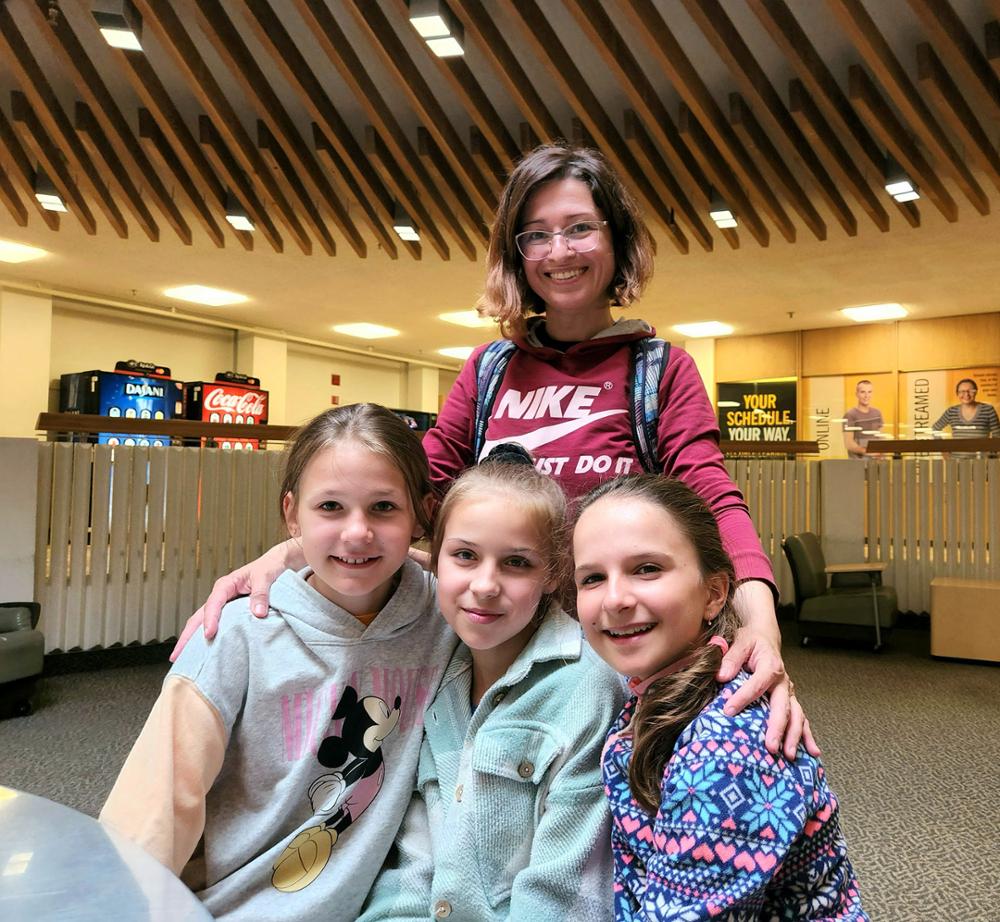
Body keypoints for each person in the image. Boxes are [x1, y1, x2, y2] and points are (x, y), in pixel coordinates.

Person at [178, 144, 812, 759]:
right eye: (535, 234)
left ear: (616, 240)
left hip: (610, 653)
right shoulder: (489, 370)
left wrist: (760, 622)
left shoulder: (659, 370)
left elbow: (711, 499)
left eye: (579, 229)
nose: (558, 252)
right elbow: (409, 495)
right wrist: (289, 553)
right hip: (498, 644)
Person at [100, 404, 457, 921]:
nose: (357, 532)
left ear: (421, 512)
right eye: (330, 507)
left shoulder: (450, 621)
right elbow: (148, 822)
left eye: (383, 508)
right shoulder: (237, 635)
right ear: (292, 514)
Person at [573, 475, 868, 921]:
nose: (614, 599)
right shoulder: (661, 690)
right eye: (592, 577)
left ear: (714, 594)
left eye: (647, 568)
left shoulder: (726, 747)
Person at [359, 444, 623, 921]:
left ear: (553, 573)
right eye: (464, 556)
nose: (485, 584)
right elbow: (413, 867)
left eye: (516, 563)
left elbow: (564, 893)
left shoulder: (589, 689)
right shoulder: (435, 670)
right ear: (435, 562)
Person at [931, 378, 1000, 439]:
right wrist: (943, 449)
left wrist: (992, 453)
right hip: (956, 454)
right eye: (962, 391)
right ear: (957, 394)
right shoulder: (951, 411)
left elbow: (997, 433)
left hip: (981, 454)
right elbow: (935, 429)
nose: (966, 394)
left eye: (970, 391)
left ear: (976, 392)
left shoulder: (988, 410)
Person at [843, 379, 884, 458]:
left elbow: (880, 437)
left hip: (877, 463)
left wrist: (881, 454)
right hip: (858, 465)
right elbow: (848, 443)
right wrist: (867, 452)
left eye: (869, 392)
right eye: (863, 392)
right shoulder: (850, 415)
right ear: (857, 394)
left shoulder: (877, 413)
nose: (866, 396)